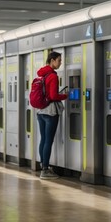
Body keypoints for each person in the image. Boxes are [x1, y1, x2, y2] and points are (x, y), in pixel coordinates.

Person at [36, 51, 67, 179]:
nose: (60, 63)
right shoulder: (53, 76)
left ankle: (43, 165)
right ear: (52, 60)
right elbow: (53, 96)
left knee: (43, 139)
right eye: (59, 60)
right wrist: (65, 95)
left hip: (40, 111)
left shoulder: (41, 74)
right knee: (48, 140)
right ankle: (45, 170)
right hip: (51, 112)